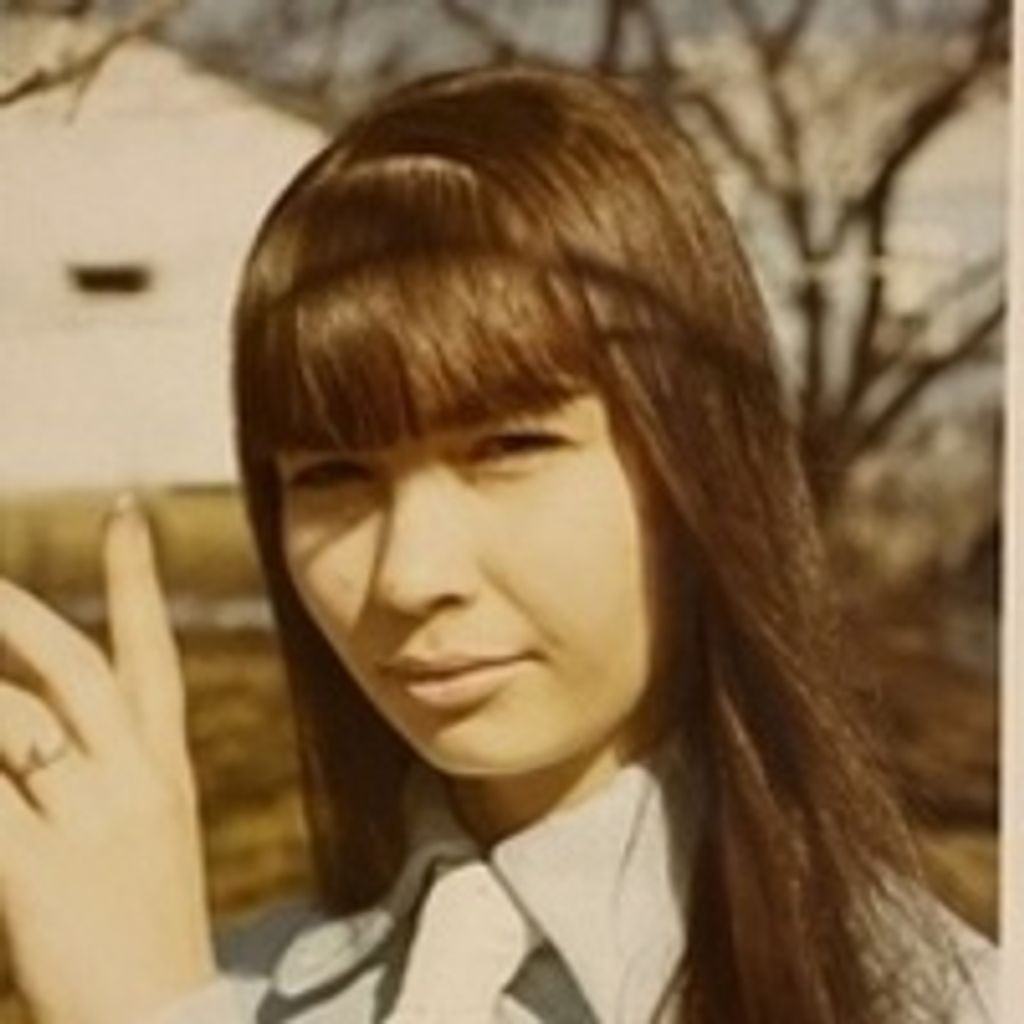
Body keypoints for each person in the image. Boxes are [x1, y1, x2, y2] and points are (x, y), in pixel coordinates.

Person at [0, 64, 997, 1024]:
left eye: (510, 448)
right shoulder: (234, 984)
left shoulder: (941, 1001)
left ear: (698, 466)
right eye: (331, 475)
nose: (408, 576)